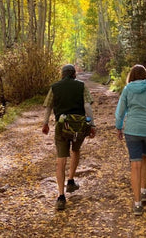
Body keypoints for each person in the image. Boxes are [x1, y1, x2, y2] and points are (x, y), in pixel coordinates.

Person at [42, 64, 96, 210]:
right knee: (76, 150)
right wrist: (92, 125)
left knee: (61, 160)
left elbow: (48, 106)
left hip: (61, 126)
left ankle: (60, 196)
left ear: (62, 74)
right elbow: (87, 106)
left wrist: (45, 123)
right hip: (78, 126)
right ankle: (71, 180)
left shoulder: (54, 87)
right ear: (74, 74)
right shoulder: (81, 86)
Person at [115, 65, 146, 216]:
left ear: (130, 76)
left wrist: (119, 127)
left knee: (135, 164)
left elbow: (120, 111)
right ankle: (143, 191)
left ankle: (137, 204)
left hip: (133, 131)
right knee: (144, 157)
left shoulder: (127, 90)